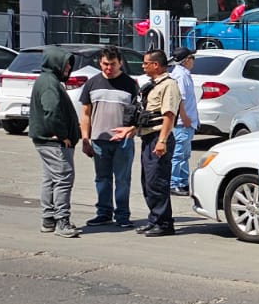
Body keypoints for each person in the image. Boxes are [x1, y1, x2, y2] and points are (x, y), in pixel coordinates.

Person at [79, 45, 140, 229]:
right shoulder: (92, 84)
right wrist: (85, 139)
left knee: (122, 179)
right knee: (102, 178)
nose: (109, 68)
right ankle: (103, 213)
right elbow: (85, 114)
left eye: (112, 64)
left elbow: (138, 114)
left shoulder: (130, 84)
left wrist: (132, 130)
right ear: (100, 62)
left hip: (123, 142)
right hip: (99, 140)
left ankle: (122, 215)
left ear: (120, 63)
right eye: (105, 64)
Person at [28, 46, 82, 238]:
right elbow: (51, 111)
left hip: (46, 141)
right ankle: (62, 221)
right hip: (53, 142)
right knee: (63, 179)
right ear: (55, 63)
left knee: (50, 179)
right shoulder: (50, 83)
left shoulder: (47, 80)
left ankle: (49, 219)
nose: (68, 68)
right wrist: (62, 135)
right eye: (65, 64)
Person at [133, 49, 181, 237]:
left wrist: (162, 141)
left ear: (156, 65)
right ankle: (154, 219)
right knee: (148, 182)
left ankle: (164, 223)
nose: (143, 66)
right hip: (147, 137)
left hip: (158, 138)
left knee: (157, 182)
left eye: (146, 63)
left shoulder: (168, 85)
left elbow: (169, 115)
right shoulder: (153, 85)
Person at [168, 47, 199, 196]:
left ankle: (182, 182)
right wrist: (184, 117)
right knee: (178, 154)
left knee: (184, 154)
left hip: (187, 122)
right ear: (186, 60)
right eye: (192, 58)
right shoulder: (180, 76)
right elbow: (179, 98)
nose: (193, 61)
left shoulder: (184, 74)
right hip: (182, 123)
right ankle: (174, 183)